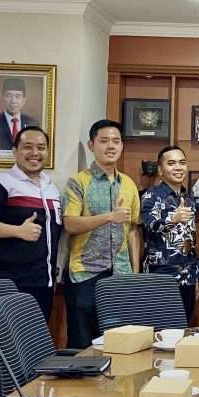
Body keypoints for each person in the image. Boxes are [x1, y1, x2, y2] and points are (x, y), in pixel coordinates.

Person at [62, 119, 140, 348]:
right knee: (82, 344)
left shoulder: (128, 184)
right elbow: (70, 224)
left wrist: (134, 272)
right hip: (85, 273)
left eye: (116, 141)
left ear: (122, 146)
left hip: (120, 274)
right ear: (91, 145)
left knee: (119, 343)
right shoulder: (78, 182)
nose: (111, 146)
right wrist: (108, 217)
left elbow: (133, 230)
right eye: (104, 141)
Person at [0, 127, 62, 322]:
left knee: (32, 347)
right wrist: (18, 231)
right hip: (4, 284)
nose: (35, 153)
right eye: (27, 147)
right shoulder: (0, 183)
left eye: (41, 147)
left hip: (41, 284)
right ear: (15, 151)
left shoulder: (52, 189)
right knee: (0, 347)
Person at [140, 145, 199, 324]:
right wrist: (172, 218)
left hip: (187, 274)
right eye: (171, 163)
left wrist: (194, 277)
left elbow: (191, 239)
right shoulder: (152, 196)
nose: (178, 167)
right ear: (160, 170)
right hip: (161, 273)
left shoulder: (188, 197)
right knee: (162, 327)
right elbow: (149, 225)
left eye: (182, 163)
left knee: (184, 325)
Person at [0, 78, 39, 150]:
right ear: (2, 98)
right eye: (9, 96)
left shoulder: (32, 123)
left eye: (17, 96)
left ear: (24, 100)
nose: (13, 101)